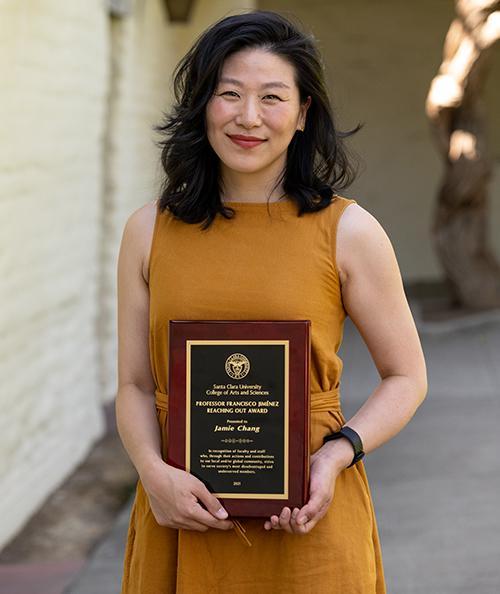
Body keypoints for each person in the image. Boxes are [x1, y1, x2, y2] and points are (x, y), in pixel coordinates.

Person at [116, 9, 427, 594]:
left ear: (304, 112)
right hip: (179, 517)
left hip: (309, 518)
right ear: (202, 104)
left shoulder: (349, 231)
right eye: (229, 93)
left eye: (273, 97)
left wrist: (336, 456)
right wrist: (154, 475)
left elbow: (407, 376)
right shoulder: (148, 231)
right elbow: (134, 384)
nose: (249, 117)